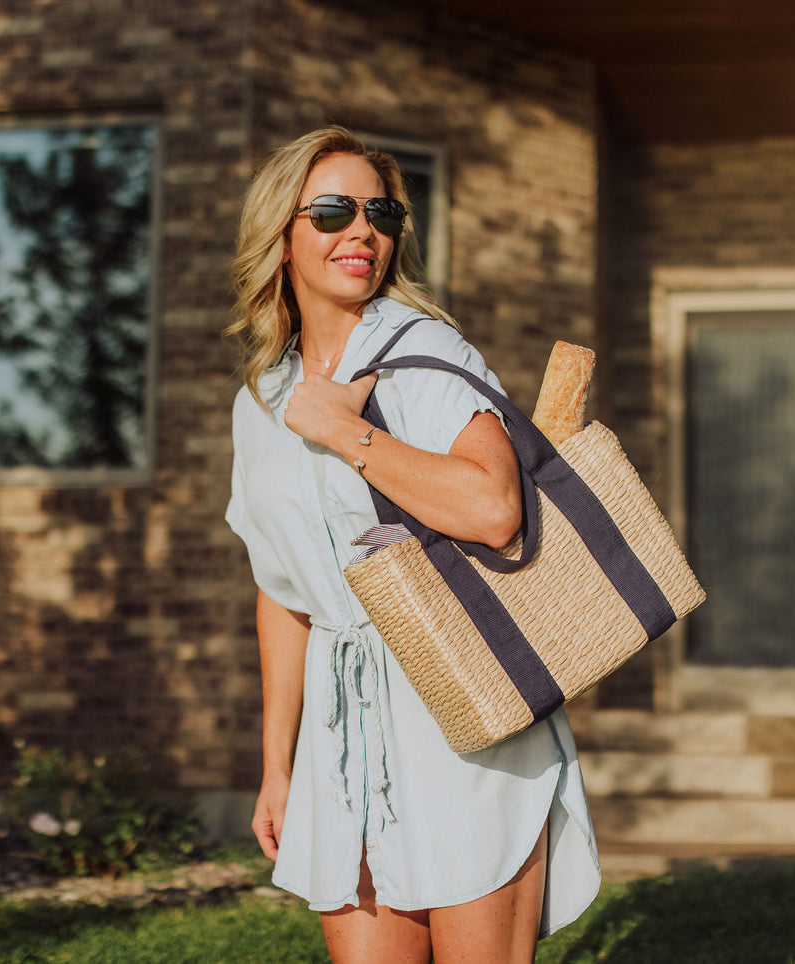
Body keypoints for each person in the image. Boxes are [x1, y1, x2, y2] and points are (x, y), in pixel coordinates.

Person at [224, 126, 600, 963]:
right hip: (338, 731)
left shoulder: (423, 356)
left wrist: (346, 434)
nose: (361, 230)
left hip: (459, 703)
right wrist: (276, 764)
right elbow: (283, 591)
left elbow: (495, 507)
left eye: (380, 211)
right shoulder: (262, 398)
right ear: (281, 235)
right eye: (331, 211)